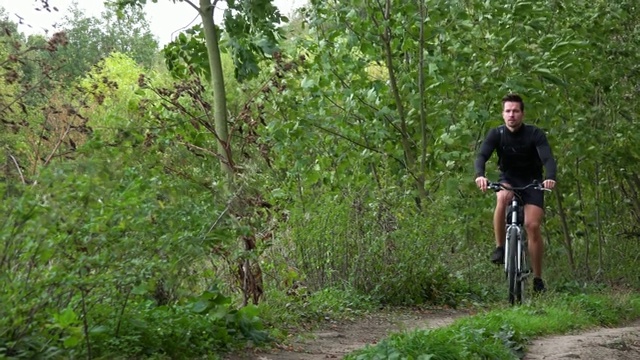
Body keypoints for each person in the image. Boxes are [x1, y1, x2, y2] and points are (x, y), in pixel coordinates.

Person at [474, 93, 557, 293]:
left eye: (516, 111)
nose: (512, 115)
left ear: (522, 113)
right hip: (509, 180)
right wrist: (480, 176)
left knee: (532, 225)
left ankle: (538, 279)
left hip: (532, 182)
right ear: (503, 114)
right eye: (508, 111)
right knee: (502, 197)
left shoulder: (534, 134)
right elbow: (482, 155)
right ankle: (500, 248)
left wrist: (550, 177)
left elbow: (548, 158)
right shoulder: (497, 134)